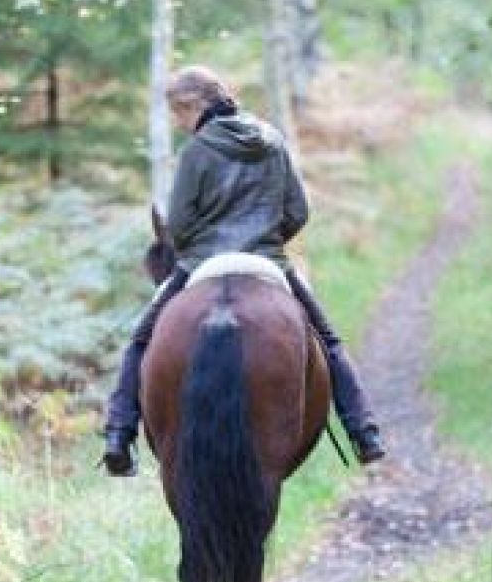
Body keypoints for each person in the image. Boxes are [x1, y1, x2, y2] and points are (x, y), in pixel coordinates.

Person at [101, 65, 386, 476]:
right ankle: (364, 431)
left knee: (141, 341)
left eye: (178, 115)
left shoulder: (197, 151)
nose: (180, 125)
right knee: (328, 341)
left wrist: (199, 244)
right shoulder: (272, 140)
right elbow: (298, 212)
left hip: (202, 262)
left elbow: (178, 225)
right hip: (267, 261)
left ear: (191, 106)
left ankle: (118, 435)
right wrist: (267, 240)